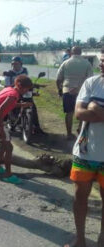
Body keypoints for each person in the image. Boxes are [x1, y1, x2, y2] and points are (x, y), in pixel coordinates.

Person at [65, 47, 104, 247]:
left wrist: (95, 107)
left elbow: (88, 110)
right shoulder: (92, 82)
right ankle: (80, 239)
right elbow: (79, 113)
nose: (102, 64)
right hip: (85, 152)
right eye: (102, 60)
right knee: (80, 198)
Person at [0, 75, 33, 184]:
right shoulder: (13, 95)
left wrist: (21, 105)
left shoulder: (9, 89)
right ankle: (8, 174)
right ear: (20, 86)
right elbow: (0, 110)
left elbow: (6, 104)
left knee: (3, 145)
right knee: (8, 147)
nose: (26, 91)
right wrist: (1, 129)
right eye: (26, 89)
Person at [56, 46, 93, 140]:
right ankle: (80, 130)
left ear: (71, 53)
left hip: (67, 90)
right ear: (81, 52)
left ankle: (69, 133)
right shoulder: (87, 63)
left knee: (69, 113)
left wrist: (59, 90)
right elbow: (90, 79)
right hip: (82, 92)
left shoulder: (66, 62)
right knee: (82, 111)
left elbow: (58, 79)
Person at [5, 56, 46, 135]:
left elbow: (27, 81)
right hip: (14, 92)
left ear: (21, 64)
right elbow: (7, 85)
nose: (15, 65)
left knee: (33, 106)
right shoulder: (9, 72)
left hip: (24, 91)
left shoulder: (24, 70)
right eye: (13, 64)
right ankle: (9, 120)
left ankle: (36, 127)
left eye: (17, 64)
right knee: (12, 105)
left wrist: (35, 86)